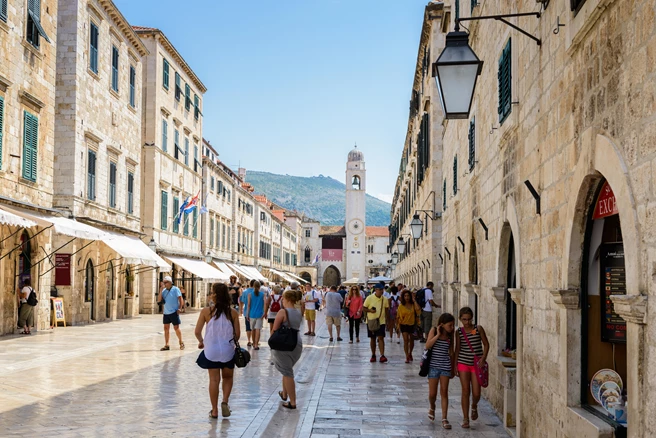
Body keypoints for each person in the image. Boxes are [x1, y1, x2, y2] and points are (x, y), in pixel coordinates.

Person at [194, 283, 240, 419]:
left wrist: (201, 341)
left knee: (214, 380)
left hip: (211, 351)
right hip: (227, 350)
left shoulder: (206, 311)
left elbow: (197, 331)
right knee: (228, 377)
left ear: (214, 295)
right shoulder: (233, 313)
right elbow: (237, 334)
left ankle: (214, 410)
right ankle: (225, 401)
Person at [455, 306, 489, 429]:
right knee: (465, 391)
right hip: (463, 363)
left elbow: (486, 344)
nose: (467, 322)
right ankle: (465, 418)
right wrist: (455, 366)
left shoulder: (477, 329)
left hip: (476, 365)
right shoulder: (459, 332)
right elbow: (457, 349)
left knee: (476, 392)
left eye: (469, 319)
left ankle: (474, 405)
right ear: (460, 319)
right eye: (464, 319)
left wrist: (483, 358)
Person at [271, 289, 304, 409]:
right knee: (286, 370)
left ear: (288, 299)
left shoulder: (282, 312)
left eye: (283, 299)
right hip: (296, 343)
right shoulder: (298, 312)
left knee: (288, 373)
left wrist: (271, 344)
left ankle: (293, 401)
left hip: (283, 345)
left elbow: (274, 329)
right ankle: (284, 394)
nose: (282, 301)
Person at [425, 313, 456, 428]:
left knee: (444, 392)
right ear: (442, 325)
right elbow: (427, 345)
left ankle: (444, 418)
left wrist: (453, 368)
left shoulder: (450, 335)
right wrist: (438, 335)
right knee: (432, 393)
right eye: (450, 325)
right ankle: (432, 407)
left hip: (445, 366)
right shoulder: (433, 331)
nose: (452, 328)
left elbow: (451, 352)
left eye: (453, 325)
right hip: (433, 366)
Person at [363, 283, 389, 363]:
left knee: (381, 338)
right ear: (376, 290)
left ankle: (382, 355)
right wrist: (370, 310)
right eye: (380, 289)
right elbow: (364, 308)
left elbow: (386, 310)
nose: (381, 291)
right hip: (371, 321)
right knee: (373, 338)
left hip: (381, 321)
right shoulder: (369, 298)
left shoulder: (384, 299)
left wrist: (387, 320)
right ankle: (373, 354)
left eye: (382, 289)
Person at [160, 276, 185, 351]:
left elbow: (180, 298)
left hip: (174, 311)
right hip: (166, 312)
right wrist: (161, 289)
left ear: (170, 282)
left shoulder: (175, 289)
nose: (165, 284)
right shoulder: (164, 291)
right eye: (164, 282)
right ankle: (167, 344)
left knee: (176, 328)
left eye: (166, 282)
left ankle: (181, 342)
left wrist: (180, 308)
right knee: (166, 328)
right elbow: (159, 300)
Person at [396, 289, 421, 363]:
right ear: (403, 297)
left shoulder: (413, 305)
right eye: (405, 296)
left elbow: (418, 310)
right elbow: (398, 317)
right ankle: (406, 355)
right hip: (404, 325)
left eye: (408, 296)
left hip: (412, 324)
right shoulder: (401, 306)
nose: (406, 297)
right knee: (406, 340)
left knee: (411, 340)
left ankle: (410, 353)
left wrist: (414, 300)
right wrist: (398, 326)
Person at [246, 280, 266, 350]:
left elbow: (248, 305)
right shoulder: (263, 294)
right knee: (258, 329)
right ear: (260, 286)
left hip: (252, 314)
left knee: (253, 329)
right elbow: (265, 304)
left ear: (253, 286)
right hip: (260, 314)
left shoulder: (250, 294)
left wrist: (247, 314)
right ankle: (256, 344)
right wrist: (264, 312)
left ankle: (253, 342)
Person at [239, 280, 254, 346]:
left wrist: (241, 310)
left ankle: (249, 340)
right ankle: (255, 341)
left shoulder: (245, 292)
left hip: (247, 312)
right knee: (254, 327)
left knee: (248, 326)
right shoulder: (258, 292)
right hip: (255, 312)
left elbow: (241, 301)